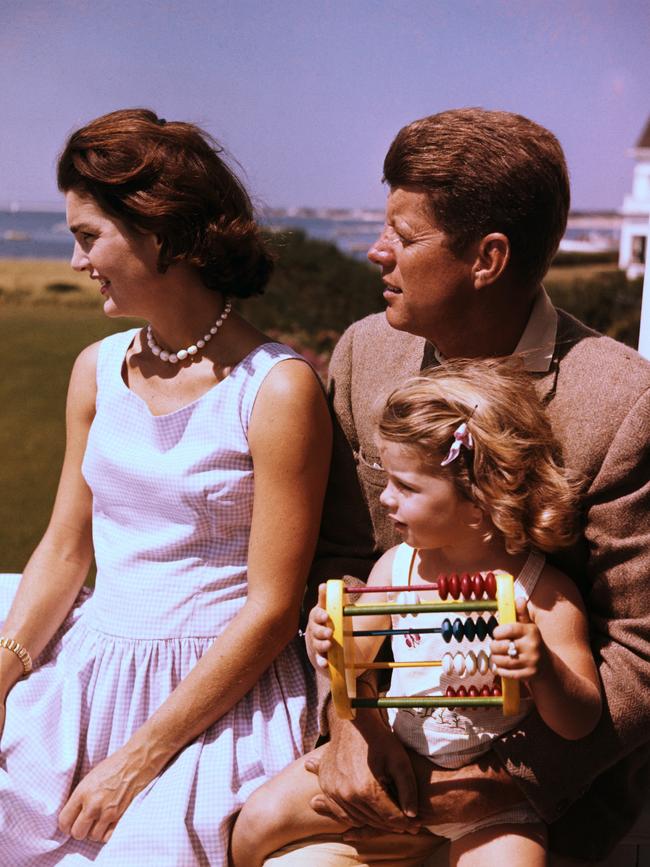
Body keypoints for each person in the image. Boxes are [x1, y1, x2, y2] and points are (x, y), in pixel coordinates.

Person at [265, 109, 650, 866]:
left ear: (488, 258)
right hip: (372, 764)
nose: (378, 251)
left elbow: (638, 649)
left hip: (532, 804)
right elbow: (337, 556)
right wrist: (350, 725)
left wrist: (498, 783)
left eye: (404, 238)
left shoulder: (624, 402)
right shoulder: (364, 351)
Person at [0, 108, 331, 865]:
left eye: (89, 237)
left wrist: (137, 759)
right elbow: (63, 546)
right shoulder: (96, 370)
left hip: (212, 705)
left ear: (159, 233)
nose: (78, 260)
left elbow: (274, 607)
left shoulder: (275, 391)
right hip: (84, 680)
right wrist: (3, 675)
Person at [231, 358, 602, 867]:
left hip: (488, 803)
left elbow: (580, 721)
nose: (385, 499)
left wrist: (545, 669)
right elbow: (356, 664)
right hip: (390, 762)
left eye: (405, 487)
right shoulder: (397, 567)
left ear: (480, 498)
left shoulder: (543, 595)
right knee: (254, 824)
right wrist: (329, 645)